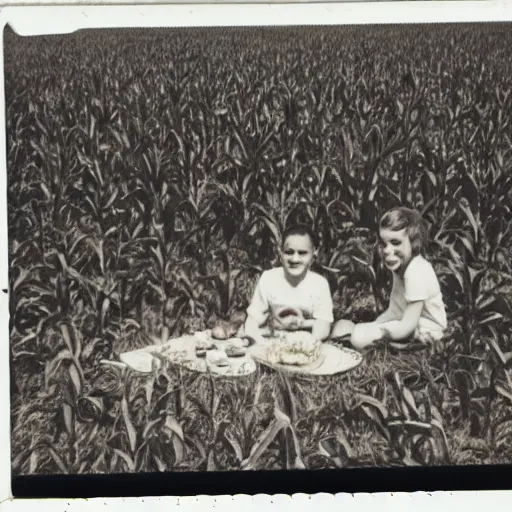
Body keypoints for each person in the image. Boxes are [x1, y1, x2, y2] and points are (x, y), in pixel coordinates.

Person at [332, 207, 447, 351]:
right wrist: (374, 325)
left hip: (424, 332)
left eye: (395, 242)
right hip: (404, 324)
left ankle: (353, 344)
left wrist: (378, 332)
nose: (387, 250)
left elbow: (407, 326)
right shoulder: (400, 268)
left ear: (414, 243)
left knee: (358, 337)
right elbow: (395, 310)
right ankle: (348, 342)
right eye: (383, 243)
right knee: (342, 326)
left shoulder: (417, 272)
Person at [241, 223, 334, 344]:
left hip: (306, 341)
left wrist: (310, 342)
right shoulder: (269, 278)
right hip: (274, 340)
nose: (295, 259)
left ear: (314, 253)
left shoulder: (319, 284)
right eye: (289, 252)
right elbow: (253, 318)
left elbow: (323, 325)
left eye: (302, 253)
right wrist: (258, 342)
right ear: (280, 252)